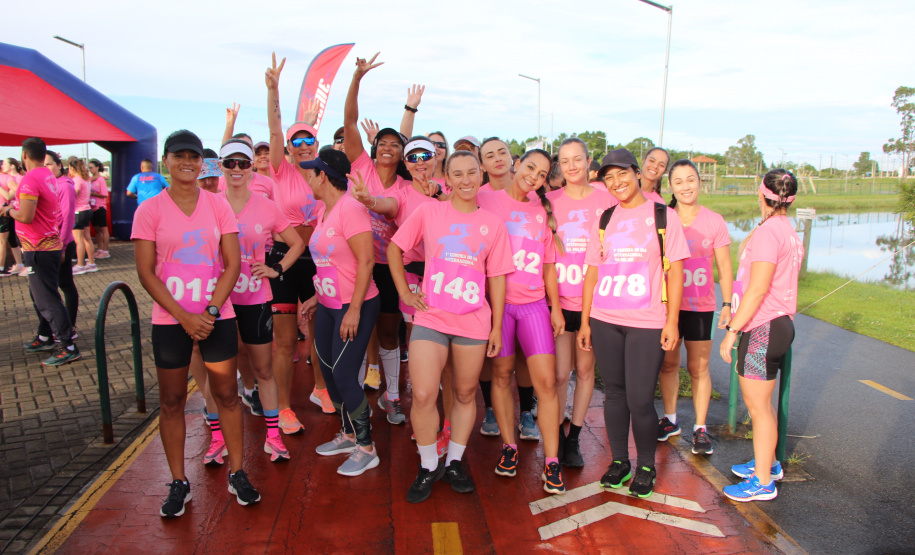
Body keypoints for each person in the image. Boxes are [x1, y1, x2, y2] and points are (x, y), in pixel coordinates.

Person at [132, 129, 259, 517]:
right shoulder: (149, 210)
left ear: (201, 163)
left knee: (227, 396)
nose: (186, 162)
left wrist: (209, 313)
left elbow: (233, 263)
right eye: (178, 155)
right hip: (171, 320)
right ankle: (178, 481)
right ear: (166, 162)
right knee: (171, 401)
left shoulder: (218, 205)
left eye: (193, 156)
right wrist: (185, 316)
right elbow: (146, 271)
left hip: (214, 318)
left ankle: (238, 473)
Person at [388, 150, 514, 502]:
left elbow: (499, 278)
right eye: (457, 174)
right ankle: (429, 465)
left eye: (472, 172)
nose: (466, 180)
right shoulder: (429, 211)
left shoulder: (493, 223)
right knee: (425, 394)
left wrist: (497, 327)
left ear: (481, 175)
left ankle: (455, 461)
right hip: (431, 315)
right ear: (448, 178)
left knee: (463, 394)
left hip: (474, 320)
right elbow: (394, 249)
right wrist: (405, 293)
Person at [577, 148, 689, 499]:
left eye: (621, 174)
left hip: (647, 321)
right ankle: (619, 461)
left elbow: (677, 274)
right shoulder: (605, 218)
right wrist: (584, 322)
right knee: (614, 395)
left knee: (640, 398)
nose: (616, 182)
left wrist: (672, 322)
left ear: (637, 173)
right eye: (608, 177)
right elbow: (591, 274)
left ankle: (645, 465)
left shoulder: (662, 216)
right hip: (605, 319)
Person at [476, 148, 566, 495]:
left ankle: (552, 461)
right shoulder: (487, 199)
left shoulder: (542, 211)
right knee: (500, 375)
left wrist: (555, 308)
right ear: (517, 165)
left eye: (542, 173)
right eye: (530, 167)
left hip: (533, 307)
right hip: (499, 307)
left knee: (546, 383)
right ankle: (509, 447)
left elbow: (548, 266)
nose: (534, 176)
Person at [219, 139, 305, 462]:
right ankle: (219, 437)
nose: (237, 169)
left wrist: (275, 269)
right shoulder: (211, 203)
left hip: (255, 297)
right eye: (231, 163)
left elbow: (295, 243)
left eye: (243, 163)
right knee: (225, 368)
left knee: (264, 367)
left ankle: (273, 436)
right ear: (222, 167)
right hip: (221, 299)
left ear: (252, 166)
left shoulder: (266, 206)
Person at [720, 169, 802, 503]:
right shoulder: (787, 229)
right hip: (775, 324)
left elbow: (757, 289)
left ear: (761, 192)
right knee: (762, 406)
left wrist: (732, 332)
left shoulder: (770, 233)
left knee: (758, 408)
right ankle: (767, 463)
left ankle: (763, 482)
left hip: (763, 328)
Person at [300, 149, 381, 476]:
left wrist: (355, 310)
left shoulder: (350, 208)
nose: (307, 177)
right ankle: (348, 434)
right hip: (330, 306)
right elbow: (331, 263)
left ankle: (367, 447)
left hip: (354, 307)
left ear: (323, 175)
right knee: (331, 374)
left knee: (346, 375)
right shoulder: (325, 210)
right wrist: (316, 298)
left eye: (311, 172)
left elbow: (366, 262)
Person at [350, 136, 440, 426]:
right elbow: (386, 205)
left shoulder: (449, 190)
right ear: (406, 162)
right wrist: (368, 200)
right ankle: (395, 395)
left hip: (444, 277)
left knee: (434, 339)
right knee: (405, 335)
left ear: (436, 157)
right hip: (403, 271)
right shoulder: (402, 193)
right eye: (413, 157)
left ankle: (433, 402)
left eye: (425, 155)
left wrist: (440, 194)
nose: (420, 162)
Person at [265, 53, 335, 429]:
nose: (303, 144)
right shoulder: (281, 170)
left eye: (309, 139)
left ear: (316, 143)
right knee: (286, 340)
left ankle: (321, 389)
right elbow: (275, 130)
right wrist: (274, 91)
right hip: (284, 260)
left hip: (319, 261)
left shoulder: (324, 176)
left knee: (320, 333)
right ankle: (282, 409)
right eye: (297, 140)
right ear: (289, 148)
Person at [342, 53, 412, 398]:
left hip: (385, 267)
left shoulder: (405, 187)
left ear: (402, 153)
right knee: (352, 330)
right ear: (374, 148)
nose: (387, 147)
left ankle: (393, 395)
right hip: (351, 263)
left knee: (387, 332)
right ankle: (351, 395)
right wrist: (356, 78)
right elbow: (350, 121)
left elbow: (390, 207)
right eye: (382, 143)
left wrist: (371, 202)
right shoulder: (361, 167)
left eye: (394, 144)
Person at [547, 138, 616, 468]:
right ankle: (558, 435)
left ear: (590, 162)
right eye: (565, 160)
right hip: (560, 302)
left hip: (594, 302)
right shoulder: (548, 202)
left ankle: (574, 437)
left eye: (578, 158)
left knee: (586, 370)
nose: (572, 165)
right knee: (561, 374)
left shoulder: (608, 201)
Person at [658, 160, 733, 455]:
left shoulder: (714, 221)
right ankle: (671, 419)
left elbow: (725, 269)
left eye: (691, 180)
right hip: (670, 308)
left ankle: (700, 428)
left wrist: (727, 304)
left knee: (698, 367)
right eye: (679, 181)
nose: (686, 186)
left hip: (701, 307)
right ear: (671, 187)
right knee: (669, 364)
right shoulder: (663, 219)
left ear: (700, 183)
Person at [1, 138, 80, 366]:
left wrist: (8, 210)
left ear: (24, 155)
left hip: (39, 248)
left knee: (47, 299)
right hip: (46, 245)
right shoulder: (47, 176)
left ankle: (68, 346)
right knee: (41, 296)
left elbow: (26, 216)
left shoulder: (31, 178)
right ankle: (46, 337)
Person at [44, 152, 80, 336]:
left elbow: (67, 218)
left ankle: (70, 326)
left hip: (61, 243)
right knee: (53, 286)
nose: (47, 168)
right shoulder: (48, 184)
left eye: (50, 164)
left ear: (59, 165)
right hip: (49, 243)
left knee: (65, 285)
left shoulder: (64, 186)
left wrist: (63, 246)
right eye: (44, 165)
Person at [69, 159, 97, 275]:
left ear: (72, 168)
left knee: (78, 240)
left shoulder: (76, 180)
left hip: (78, 212)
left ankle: (80, 264)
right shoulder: (86, 180)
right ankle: (91, 262)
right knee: (87, 238)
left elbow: (73, 196)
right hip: (86, 210)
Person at [0, 158, 26, 276]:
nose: (2, 166)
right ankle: (19, 264)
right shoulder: (8, 178)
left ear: (12, 166)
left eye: (5, 164)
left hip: (18, 211)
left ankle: (27, 264)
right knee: (12, 240)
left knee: (20, 238)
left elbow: (12, 195)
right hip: (10, 211)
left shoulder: (18, 179)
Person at [88, 159, 110, 259]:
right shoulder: (91, 179)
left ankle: (106, 250)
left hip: (100, 207)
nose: (90, 169)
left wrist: (92, 194)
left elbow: (105, 194)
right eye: (89, 168)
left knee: (103, 229)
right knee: (97, 230)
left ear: (97, 167)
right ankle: (99, 249)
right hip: (92, 208)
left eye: (91, 167)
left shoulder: (100, 180)